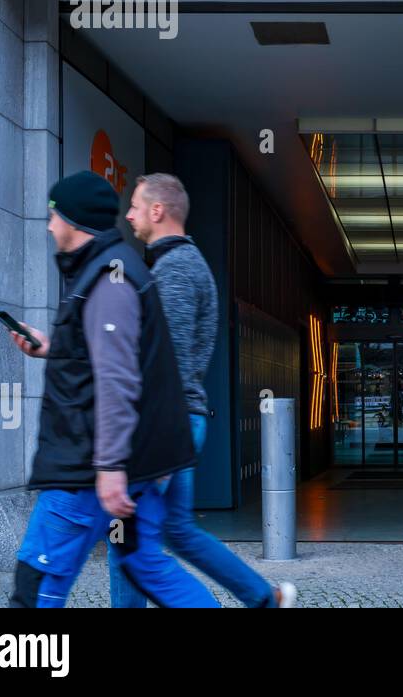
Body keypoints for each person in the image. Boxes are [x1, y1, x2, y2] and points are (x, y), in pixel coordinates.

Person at [8, 171, 218, 608]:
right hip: (109, 461)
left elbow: (119, 375)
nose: (49, 226)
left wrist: (109, 466)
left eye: (54, 214)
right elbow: (97, 358)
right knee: (147, 566)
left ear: (73, 219)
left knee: (37, 584)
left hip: (84, 467)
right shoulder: (102, 273)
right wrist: (50, 347)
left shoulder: (111, 278)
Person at [110, 173, 296, 609]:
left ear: (158, 211)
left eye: (135, 205)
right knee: (178, 531)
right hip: (180, 420)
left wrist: (155, 443)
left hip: (166, 422)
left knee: (128, 538)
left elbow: (166, 366)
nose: (130, 214)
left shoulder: (174, 270)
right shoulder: (183, 263)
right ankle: (262, 597)